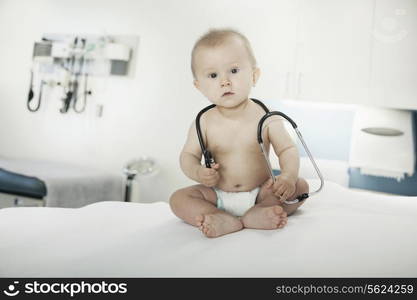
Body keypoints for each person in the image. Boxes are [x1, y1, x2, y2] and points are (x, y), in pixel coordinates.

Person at [169, 28, 309, 238]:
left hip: (262, 192)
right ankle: (218, 216)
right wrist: (198, 173)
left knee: (300, 185)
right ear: (199, 86)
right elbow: (187, 156)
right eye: (213, 75)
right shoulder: (204, 122)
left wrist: (287, 177)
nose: (224, 81)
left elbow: (287, 149)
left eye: (233, 71)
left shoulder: (266, 118)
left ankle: (258, 211)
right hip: (217, 195)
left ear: (254, 75)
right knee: (178, 199)